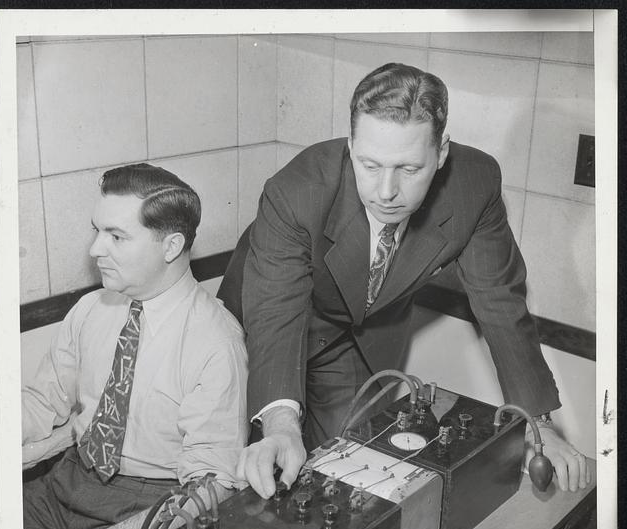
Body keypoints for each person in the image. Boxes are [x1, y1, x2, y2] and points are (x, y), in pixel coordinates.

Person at [217, 62, 591, 499]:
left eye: (410, 169)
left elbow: (501, 305)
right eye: (369, 165)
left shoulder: (474, 184)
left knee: (345, 477)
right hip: (261, 328)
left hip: (355, 339)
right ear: (351, 145)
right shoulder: (297, 190)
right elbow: (276, 315)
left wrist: (537, 427)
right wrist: (281, 424)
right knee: (241, 468)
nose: (386, 191)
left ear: (442, 153)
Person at [23, 163, 248, 529]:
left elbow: (213, 485)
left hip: (145, 505)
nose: (94, 249)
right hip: (66, 483)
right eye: (96, 232)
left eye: (116, 236)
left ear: (171, 245)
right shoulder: (92, 308)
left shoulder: (215, 340)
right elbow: (43, 402)